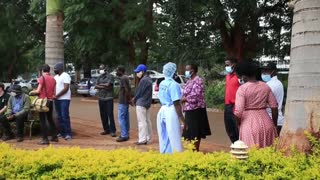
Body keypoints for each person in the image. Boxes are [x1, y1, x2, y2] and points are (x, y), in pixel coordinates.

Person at [234, 61, 278, 148]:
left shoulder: (242, 89)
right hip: (267, 123)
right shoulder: (265, 86)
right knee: (268, 153)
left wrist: (239, 124)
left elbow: (238, 112)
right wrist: (274, 125)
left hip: (249, 125)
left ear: (244, 75)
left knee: (250, 155)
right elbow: (274, 107)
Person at [181, 64, 211, 151]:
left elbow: (195, 95)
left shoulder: (198, 80)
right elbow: (185, 92)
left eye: (187, 70)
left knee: (196, 131)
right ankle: (192, 149)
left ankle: (195, 149)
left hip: (196, 110)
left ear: (193, 71)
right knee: (190, 131)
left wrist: (185, 99)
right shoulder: (189, 81)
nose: (186, 72)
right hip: (189, 109)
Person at [157, 62, 185, 154]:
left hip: (162, 110)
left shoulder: (162, 83)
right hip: (171, 111)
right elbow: (176, 103)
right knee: (174, 135)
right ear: (174, 72)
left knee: (164, 135)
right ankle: (176, 156)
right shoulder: (174, 85)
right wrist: (182, 120)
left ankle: (164, 153)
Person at [30, 64, 59, 145]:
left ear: (42, 70)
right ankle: (54, 137)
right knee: (50, 119)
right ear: (49, 70)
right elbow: (54, 94)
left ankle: (45, 139)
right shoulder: (53, 79)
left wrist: (32, 92)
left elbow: (38, 91)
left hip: (43, 102)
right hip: (50, 101)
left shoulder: (41, 78)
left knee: (43, 121)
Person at [132, 64, 153, 145]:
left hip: (141, 103)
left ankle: (142, 139)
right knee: (147, 121)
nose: (137, 73)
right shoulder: (149, 79)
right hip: (147, 103)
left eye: (138, 71)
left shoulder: (143, 80)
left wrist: (134, 99)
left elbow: (139, 92)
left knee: (141, 122)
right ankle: (149, 138)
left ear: (143, 71)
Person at [261, 62, 284, 134]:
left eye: (266, 71)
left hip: (271, 119)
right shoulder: (278, 82)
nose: (264, 73)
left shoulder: (270, 85)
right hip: (278, 119)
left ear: (273, 71)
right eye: (263, 71)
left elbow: (264, 102)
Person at [95, 64, 116, 137]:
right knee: (103, 114)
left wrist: (100, 85)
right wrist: (104, 85)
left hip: (108, 98)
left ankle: (113, 131)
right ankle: (106, 129)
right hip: (101, 98)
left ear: (105, 69)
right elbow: (96, 86)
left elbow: (109, 86)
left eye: (102, 68)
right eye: (100, 68)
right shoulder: (99, 77)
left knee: (110, 114)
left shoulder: (110, 76)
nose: (100, 70)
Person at [54, 62, 73, 140]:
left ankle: (68, 133)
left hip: (64, 99)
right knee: (59, 116)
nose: (55, 70)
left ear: (60, 69)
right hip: (57, 99)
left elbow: (66, 88)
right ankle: (62, 132)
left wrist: (57, 95)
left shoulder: (65, 75)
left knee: (64, 115)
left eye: (56, 69)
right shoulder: (55, 77)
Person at [224, 57, 240, 143]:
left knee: (237, 128)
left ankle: (240, 147)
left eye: (228, 65)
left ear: (234, 65)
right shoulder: (227, 76)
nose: (226, 67)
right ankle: (234, 145)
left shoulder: (239, 76)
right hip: (227, 106)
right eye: (225, 65)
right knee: (229, 128)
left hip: (236, 105)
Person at [115, 66, 131, 142]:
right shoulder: (125, 77)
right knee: (125, 118)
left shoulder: (123, 78)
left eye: (117, 71)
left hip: (123, 101)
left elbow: (126, 89)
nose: (116, 72)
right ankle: (126, 133)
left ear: (121, 71)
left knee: (121, 118)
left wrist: (129, 99)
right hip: (125, 101)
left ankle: (124, 135)